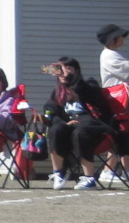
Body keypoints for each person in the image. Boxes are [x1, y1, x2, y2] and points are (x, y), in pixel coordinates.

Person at [41, 56, 122, 189]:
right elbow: (50, 111)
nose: (63, 72)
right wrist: (63, 122)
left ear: (77, 71)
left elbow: (87, 93)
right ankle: (58, 174)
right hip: (70, 129)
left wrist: (71, 79)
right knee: (56, 129)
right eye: (59, 68)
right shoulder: (58, 92)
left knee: (80, 131)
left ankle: (89, 178)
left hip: (93, 127)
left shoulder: (90, 84)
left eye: (68, 68)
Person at [97, 23, 129, 179]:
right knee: (122, 133)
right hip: (117, 101)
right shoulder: (108, 55)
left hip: (119, 100)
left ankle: (112, 170)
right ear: (113, 39)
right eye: (120, 37)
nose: (123, 39)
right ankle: (123, 171)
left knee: (122, 133)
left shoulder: (113, 54)